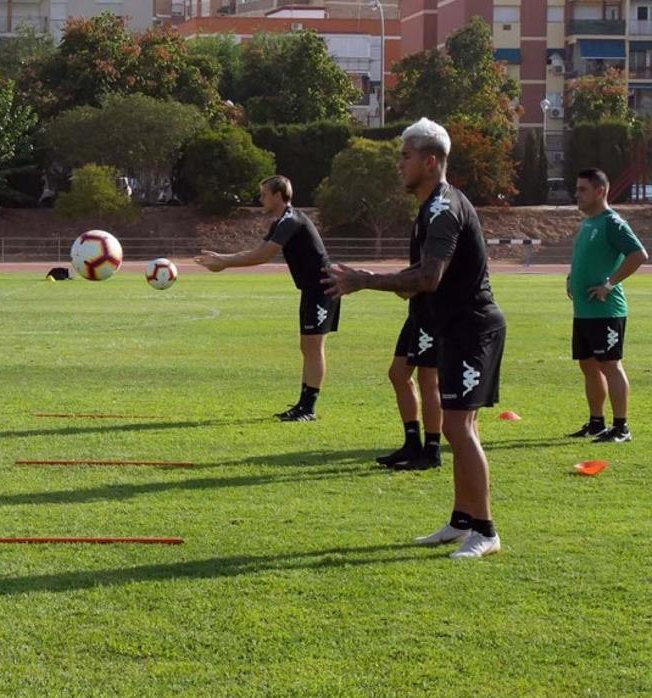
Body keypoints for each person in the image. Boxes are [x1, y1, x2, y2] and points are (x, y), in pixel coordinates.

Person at [324, 117, 505, 559]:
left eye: (405, 156)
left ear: (430, 161)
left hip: (472, 328)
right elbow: (420, 279)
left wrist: (366, 280)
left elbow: (428, 277)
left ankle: (485, 531)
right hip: (455, 328)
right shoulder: (432, 208)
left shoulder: (444, 210)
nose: (399, 164)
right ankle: (461, 521)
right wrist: (393, 282)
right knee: (461, 426)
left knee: (460, 428)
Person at [195, 175, 339, 422]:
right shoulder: (282, 221)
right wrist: (222, 257)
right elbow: (256, 252)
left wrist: (225, 263)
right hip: (310, 289)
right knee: (307, 347)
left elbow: (263, 256)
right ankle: (303, 406)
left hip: (323, 287)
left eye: (264, 194)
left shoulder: (291, 220)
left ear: (277, 195)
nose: (260, 198)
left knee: (313, 347)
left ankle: (308, 408)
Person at [566, 168, 648, 442]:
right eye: (577, 189)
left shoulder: (612, 222)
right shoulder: (589, 222)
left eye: (582, 190)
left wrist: (609, 284)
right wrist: (571, 278)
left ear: (600, 191)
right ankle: (596, 422)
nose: (577, 194)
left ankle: (621, 427)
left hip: (606, 311)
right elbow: (584, 258)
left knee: (611, 365)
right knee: (588, 366)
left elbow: (638, 255)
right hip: (584, 311)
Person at [377, 194, 444, 470]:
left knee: (429, 378)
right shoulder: (424, 211)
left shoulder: (440, 211)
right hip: (418, 310)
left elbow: (440, 267)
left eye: (407, 158)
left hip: (433, 311)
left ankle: (432, 450)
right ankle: (412, 443)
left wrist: (411, 284)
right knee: (398, 373)